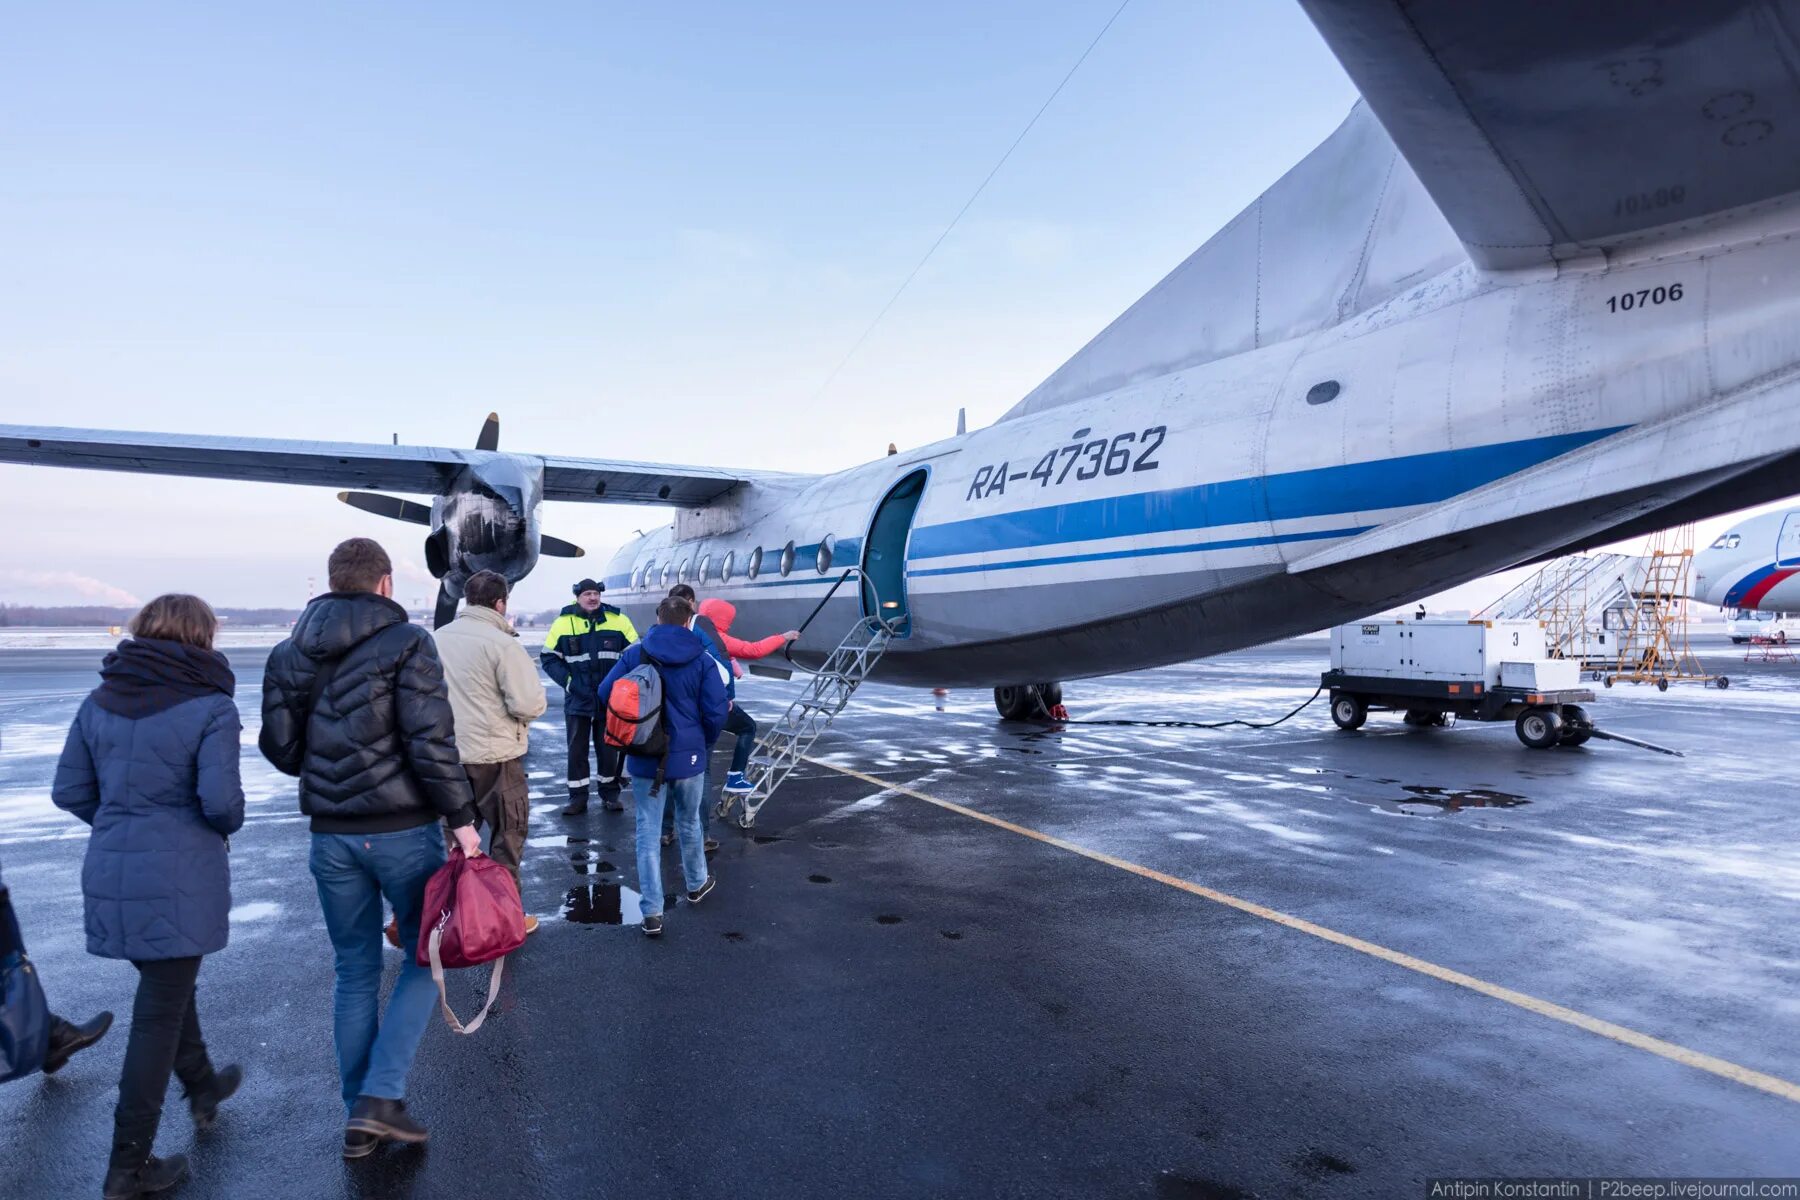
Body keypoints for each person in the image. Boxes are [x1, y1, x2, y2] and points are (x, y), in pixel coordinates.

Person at [259, 537, 481, 1159]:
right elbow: (430, 741)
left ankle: (359, 1113)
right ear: (385, 584)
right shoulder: (410, 643)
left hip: (330, 837)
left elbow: (279, 749)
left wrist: (331, 768)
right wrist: (462, 820)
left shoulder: (288, 652)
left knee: (353, 970)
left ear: (332, 582)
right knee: (422, 959)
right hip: (404, 831)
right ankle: (380, 1099)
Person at [52, 594, 245, 1199]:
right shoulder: (212, 705)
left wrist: (122, 827)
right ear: (201, 637)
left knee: (167, 984)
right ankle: (128, 1165)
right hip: (180, 874)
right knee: (157, 1014)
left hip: (112, 868)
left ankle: (204, 1084)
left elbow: (70, 790)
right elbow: (222, 806)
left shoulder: (100, 699)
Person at [597, 595, 727, 938]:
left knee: (647, 832)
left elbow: (604, 691)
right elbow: (716, 711)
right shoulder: (702, 659)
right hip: (689, 756)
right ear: (689, 620)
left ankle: (652, 912)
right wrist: (701, 741)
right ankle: (697, 883)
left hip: (643, 754)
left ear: (658, 618)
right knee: (689, 822)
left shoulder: (635, 653)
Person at [433, 569, 548, 934]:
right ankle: (505, 917)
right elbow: (528, 704)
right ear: (500, 603)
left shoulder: (436, 639)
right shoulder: (503, 644)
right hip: (495, 758)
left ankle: (447, 916)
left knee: (453, 840)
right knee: (507, 838)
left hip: (446, 758)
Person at [541, 578, 638, 816]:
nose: (592, 598)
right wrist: (570, 683)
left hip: (609, 700)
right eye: (587, 594)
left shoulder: (619, 621)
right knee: (577, 750)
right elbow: (549, 658)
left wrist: (620, 686)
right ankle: (578, 798)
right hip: (578, 699)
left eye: (595, 593)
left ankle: (610, 794)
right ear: (578, 597)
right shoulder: (563, 623)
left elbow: (634, 655)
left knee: (609, 749)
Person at [695, 598, 798, 796]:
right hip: (715, 705)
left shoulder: (693, 633)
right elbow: (753, 650)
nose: (730, 624)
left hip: (692, 703)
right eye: (728, 620)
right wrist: (783, 637)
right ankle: (735, 777)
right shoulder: (718, 638)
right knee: (748, 727)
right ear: (719, 619)